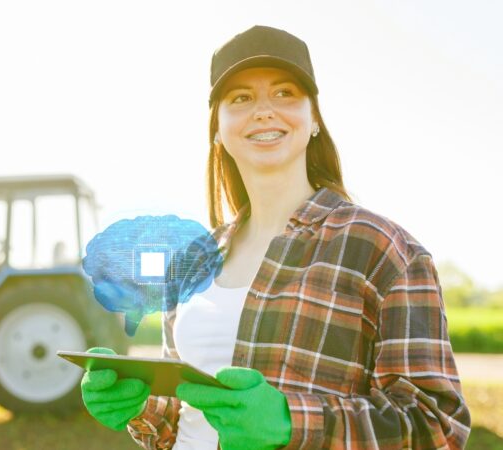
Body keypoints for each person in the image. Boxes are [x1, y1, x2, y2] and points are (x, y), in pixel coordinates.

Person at [79, 25, 471, 450]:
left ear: (314, 118)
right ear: (217, 129)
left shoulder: (383, 251)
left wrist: (292, 424)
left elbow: (439, 428)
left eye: (285, 93)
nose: (264, 110)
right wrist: (140, 407)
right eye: (241, 98)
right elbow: (188, 416)